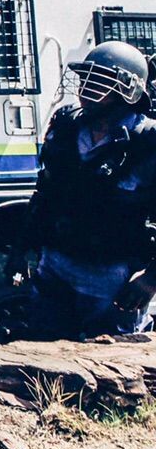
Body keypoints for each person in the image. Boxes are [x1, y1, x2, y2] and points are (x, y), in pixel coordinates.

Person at [12, 42, 156, 338]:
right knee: (46, 352)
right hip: (56, 264)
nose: (86, 88)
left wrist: (151, 279)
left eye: (100, 81)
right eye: (85, 78)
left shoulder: (147, 142)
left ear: (127, 91)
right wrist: (23, 248)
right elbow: (45, 195)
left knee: (113, 363)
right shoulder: (66, 127)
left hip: (112, 274)